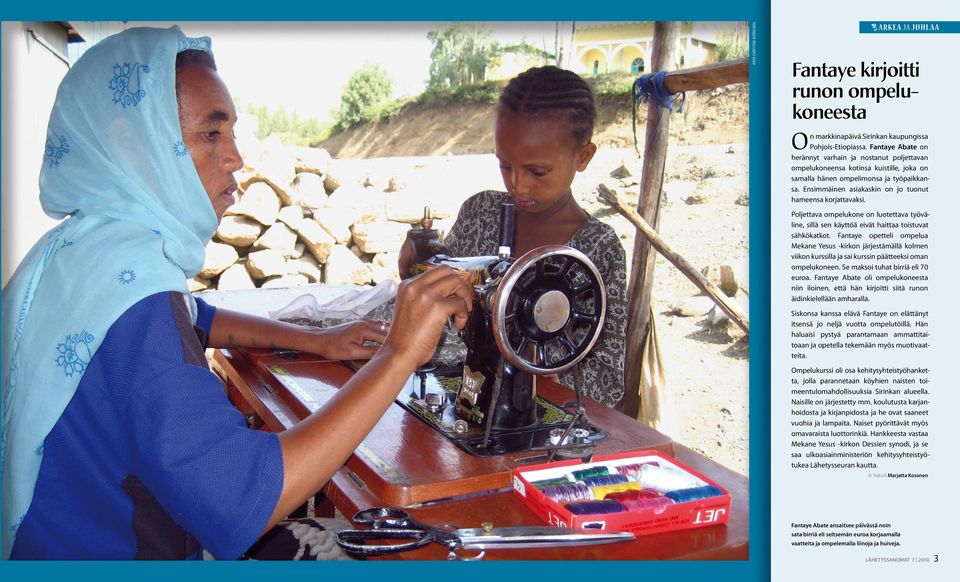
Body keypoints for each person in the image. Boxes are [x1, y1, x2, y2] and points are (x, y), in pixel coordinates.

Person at [0, 26, 472, 560]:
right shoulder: (139, 304)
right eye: (211, 135)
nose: (236, 159)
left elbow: (196, 316)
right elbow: (241, 498)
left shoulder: (81, 251)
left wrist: (320, 341)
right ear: (137, 145)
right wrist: (399, 354)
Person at [400, 65, 627, 407]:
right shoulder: (481, 212)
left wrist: (535, 369)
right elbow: (440, 306)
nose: (517, 185)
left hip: (531, 417)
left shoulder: (598, 249)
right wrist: (414, 275)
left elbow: (608, 381)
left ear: (583, 157)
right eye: (505, 165)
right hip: (455, 399)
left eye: (537, 171)